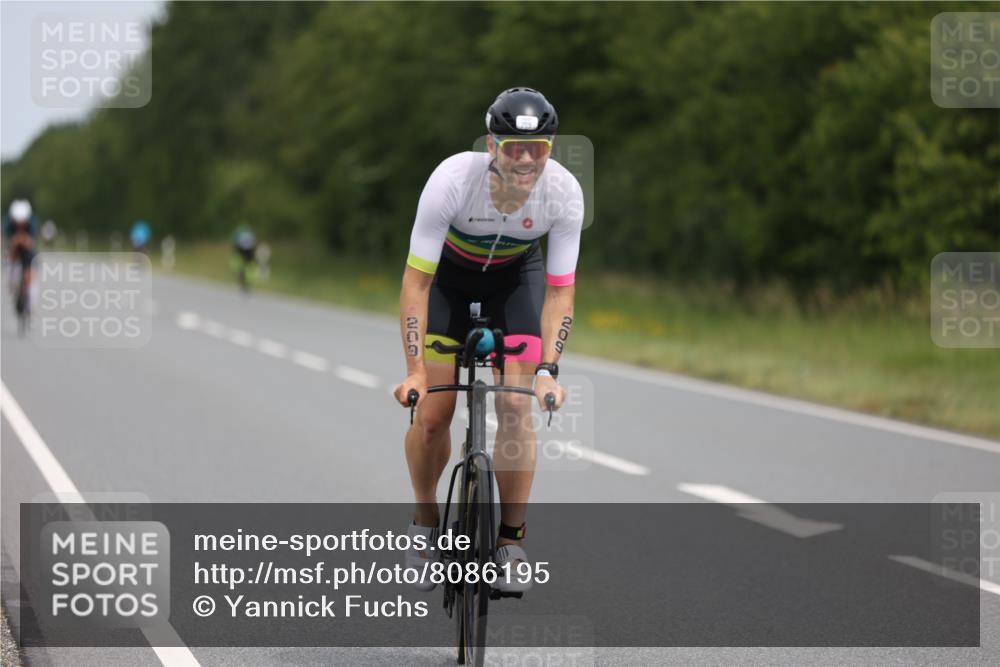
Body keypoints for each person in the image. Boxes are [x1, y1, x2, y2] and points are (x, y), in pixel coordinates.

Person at [393, 88, 584, 592]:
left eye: (537, 148)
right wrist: (415, 368)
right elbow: (417, 283)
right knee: (433, 414)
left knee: (518, 409)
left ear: (551, 147)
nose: (523, 159)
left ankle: (509, 539)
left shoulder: (563, 193)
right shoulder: (452, 179)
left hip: (514, 281)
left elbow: (561, 295)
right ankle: (424, 524)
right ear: (492, 144)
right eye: (511, 147)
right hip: (449, 284)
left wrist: (548, 370)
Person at [5, 200, 38, 323]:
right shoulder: (8, 224)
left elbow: (31, 243)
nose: (19, 225)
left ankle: (31, 307)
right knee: (10, 268)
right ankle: (13, 286)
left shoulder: (32, 224)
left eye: (22, 222)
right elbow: (8, 243)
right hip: (13, 253)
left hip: (28, 253)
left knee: (31, 280)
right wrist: (15, 242)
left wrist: (22, 240)